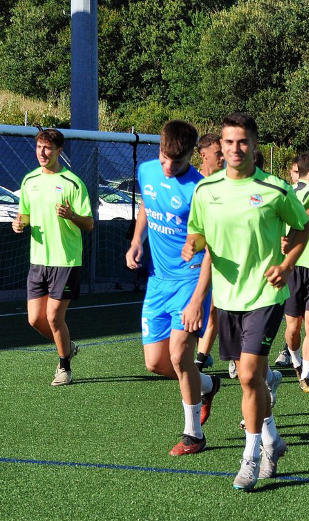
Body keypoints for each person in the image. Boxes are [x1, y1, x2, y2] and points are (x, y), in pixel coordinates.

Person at [184, 113, 309, 491]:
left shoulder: (274, 190)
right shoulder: (206, 191)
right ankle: (272, 440)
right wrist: (195, 245)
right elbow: (200, 233)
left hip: (266, 295)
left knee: (251, 376)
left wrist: (287, 265)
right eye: (229, 142)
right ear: (219, 147)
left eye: (243, 142)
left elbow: (302, 227)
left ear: (255, 145)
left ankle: (250, 458)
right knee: (246, 379)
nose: (236, 149)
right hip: (228, 298)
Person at [125, 120, 221, 455]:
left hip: (190, 279)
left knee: (181, 355)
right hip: (156, 281)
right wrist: (137, 241)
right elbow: (147, 209)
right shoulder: (147, 171)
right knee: (156, 363)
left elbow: (212, 246)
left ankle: (193, 434)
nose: (168, 167)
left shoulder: (201, 190)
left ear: (191, 156)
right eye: (165, 158)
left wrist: (198, 298)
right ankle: (207, 385)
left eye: (176, 162)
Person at [12, 128, 93, 386]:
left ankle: (64, 367)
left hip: (65, 261)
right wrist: (19, 223)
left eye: (47, 148)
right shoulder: (29, 181)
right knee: (35, 319)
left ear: (59, 151)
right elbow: (24, 213)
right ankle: (67, 346)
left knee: (54, 317)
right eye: (39, 147)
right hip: (38, 260)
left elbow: (89, 223)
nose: (42, 153)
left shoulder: (73, 183)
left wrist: (71, 216)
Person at [273, 155, 309, 369]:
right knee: (297, 326)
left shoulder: (288, 190)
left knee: (307, 322)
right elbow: (302, 219)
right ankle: (297, 361)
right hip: (308, 264)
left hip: (297, 264)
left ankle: (306, 372)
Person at [193, 133, 224, 372]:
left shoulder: (228, 182)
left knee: (214, 309)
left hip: (220, 258)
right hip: (190, 259)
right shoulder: (194, 183)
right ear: (204, 156)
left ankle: (200, 360)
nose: (223, 157)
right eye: (218, 153)